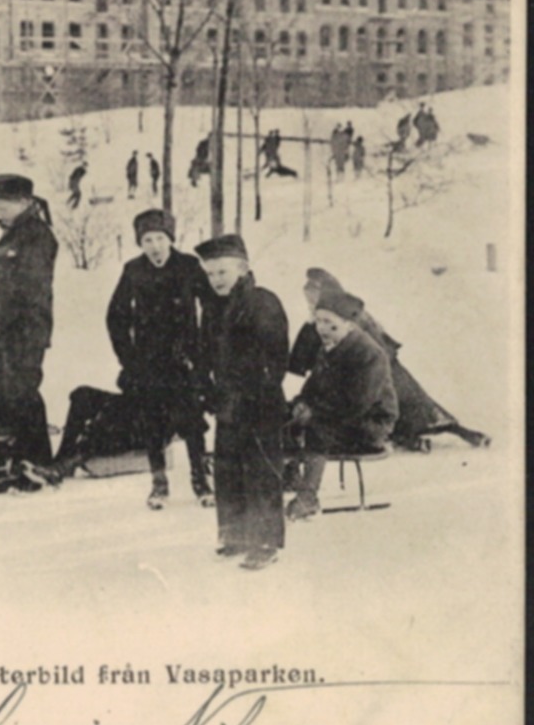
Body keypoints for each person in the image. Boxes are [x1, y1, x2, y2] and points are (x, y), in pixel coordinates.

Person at [36, 209, 214, 508]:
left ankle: (201, 482)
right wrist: (129, 359)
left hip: (184, 363)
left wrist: (201, 356)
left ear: (170, 239)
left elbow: (210, 309)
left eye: (160, 238)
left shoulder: (189, 266)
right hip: (148, 364)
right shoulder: (134, 270)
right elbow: (115, 317)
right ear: (140, 243)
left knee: (190, 420)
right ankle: (159, 485)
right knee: (152, 421)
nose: (155, 246)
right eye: (147, 240)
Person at [289, 268, 489, 450]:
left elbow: (371, 345)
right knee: (410, 410)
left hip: (381, 370)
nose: (310, 302)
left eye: (312, 297)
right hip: (375, 369)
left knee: (413, 408)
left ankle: (457, 433)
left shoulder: (348, 317)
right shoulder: (326, 318)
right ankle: (418, 439)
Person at [196, 234, 290, 571]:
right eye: (210, 274)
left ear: (244, 268)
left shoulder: (263, 302)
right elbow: (204, 353)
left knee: (261, 471)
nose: (216, 280)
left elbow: (275, 358)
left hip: (259, 403)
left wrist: (254, 391)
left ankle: (265, 541)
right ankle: (234, 534)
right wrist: (206, 387)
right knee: (228, 469)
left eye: (222, 272)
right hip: (227, 403)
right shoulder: (212, 308)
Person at [284, 288, 398, 521]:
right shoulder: (329, 347)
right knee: (284, 416)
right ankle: (290, 475)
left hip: (370, 423)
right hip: (339, 415)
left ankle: (308, 498)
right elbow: (312, 387)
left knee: (317, 428)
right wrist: (300, 404)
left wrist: (313, 413)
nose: (322, 329)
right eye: (318, 322)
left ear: (350, 325)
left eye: (330, 324)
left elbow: (356, 404)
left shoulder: (369, 355)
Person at [0, 173, 59, 472]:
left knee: (22, 394)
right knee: (0, 397)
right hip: (5, 330)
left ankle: (36, 463)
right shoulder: (11, 233)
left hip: (27, 330)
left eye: (6, 205)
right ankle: (7, 461)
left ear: (25, 202)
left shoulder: (37, 235)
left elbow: (28, 287)